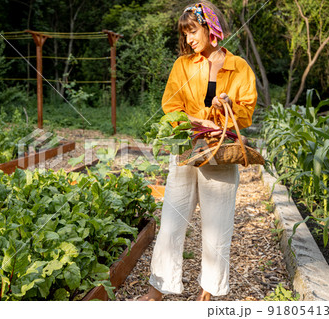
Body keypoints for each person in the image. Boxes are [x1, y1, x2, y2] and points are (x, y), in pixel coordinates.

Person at [139, 1, 257, 301]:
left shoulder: (239, 67)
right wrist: (201, 117)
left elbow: (246, 114)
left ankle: (208, 294)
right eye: (186, 33)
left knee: (217, 229)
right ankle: (156, 291)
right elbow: (170, 107)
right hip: (186, 151)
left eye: (193, 31)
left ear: (209, 26)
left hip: (220, 154)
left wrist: (227, 106)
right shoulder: (182, 65)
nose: (189, 39)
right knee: (171, 223)